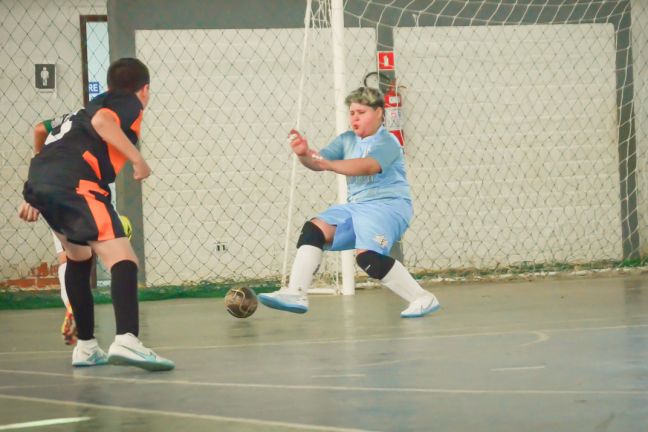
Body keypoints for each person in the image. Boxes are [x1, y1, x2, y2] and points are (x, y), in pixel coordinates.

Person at [19, 58, 174, 371]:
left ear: (108, 85)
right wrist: (137, 160)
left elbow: (40, 130)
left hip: (43, 183)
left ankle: (87, 347)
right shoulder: (128, 102)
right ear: (145, 90)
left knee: (78, 257)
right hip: (79, 183)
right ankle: (128, 339)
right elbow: (104, 123)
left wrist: (40, 188)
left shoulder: (83, 110)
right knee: (124, 260)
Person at [258, 86, 440, 318]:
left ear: (379, 113)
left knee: (367, 258)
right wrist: (303, 154)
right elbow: (318, 162)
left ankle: (422, 297)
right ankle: (296, 293)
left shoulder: (388, 142)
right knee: (314, 230)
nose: (354, 117)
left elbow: (368, 166)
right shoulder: (346, 140)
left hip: (388, 206)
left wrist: (327, 164)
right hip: (357, 207)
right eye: (352, 112)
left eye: (361, 112)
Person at [33, 120, 77, 345]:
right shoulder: (97, 124)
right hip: (73, 188)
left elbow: (40, 128)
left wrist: (38, 160)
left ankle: (71, 307)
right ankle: (75, 307)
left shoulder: (67, 119)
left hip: (47, 188)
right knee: (80, 256)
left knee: (64, 258)